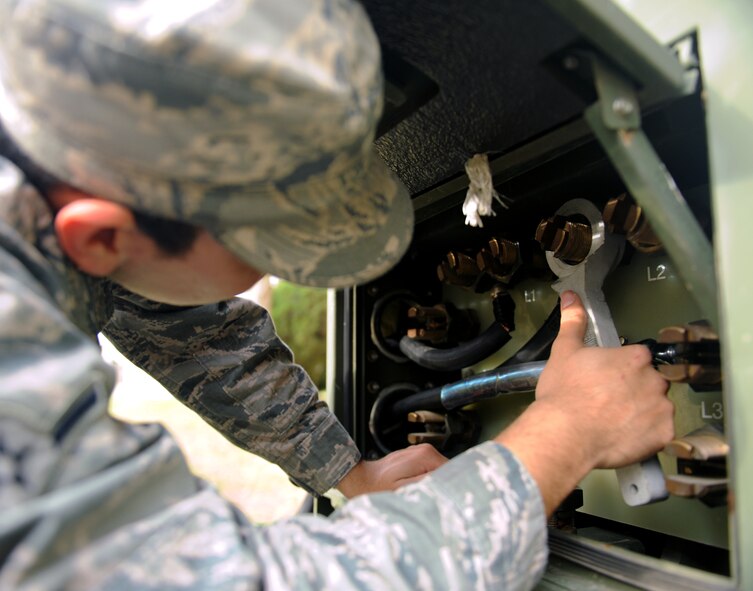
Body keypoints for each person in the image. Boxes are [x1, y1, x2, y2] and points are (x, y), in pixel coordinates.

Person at [0, 0, 674, 589]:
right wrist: (564, 437)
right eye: (268, 249)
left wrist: (347, 471)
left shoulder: (60, 178)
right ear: (100, 239)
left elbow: (188, 326)